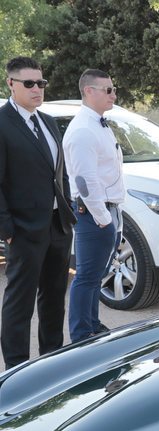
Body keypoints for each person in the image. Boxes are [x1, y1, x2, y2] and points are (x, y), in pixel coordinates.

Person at [0, 57, 74, 369]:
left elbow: (60, 173)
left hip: (57, 225)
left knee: (55, 298)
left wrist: (69, 212)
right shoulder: (2, 123)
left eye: (40, 83)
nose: (37, 89)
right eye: (28, 83)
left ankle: (51, 362)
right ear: (10, 84)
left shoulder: (46, 120)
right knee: (20, 302)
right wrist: (6, 229)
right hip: (23, 229)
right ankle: (17, 370)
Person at [63, 69, 125, 342]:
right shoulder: (83, 130)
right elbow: (85, 181)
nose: (114, 94)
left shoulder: (99, 124)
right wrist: (102, 218)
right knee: (87, 276)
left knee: (96, 275)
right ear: (89, 91)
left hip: (108, 210)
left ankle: (93, 325)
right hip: (93, 212)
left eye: (113, 89)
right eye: (108, 90)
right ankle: (81, 334)